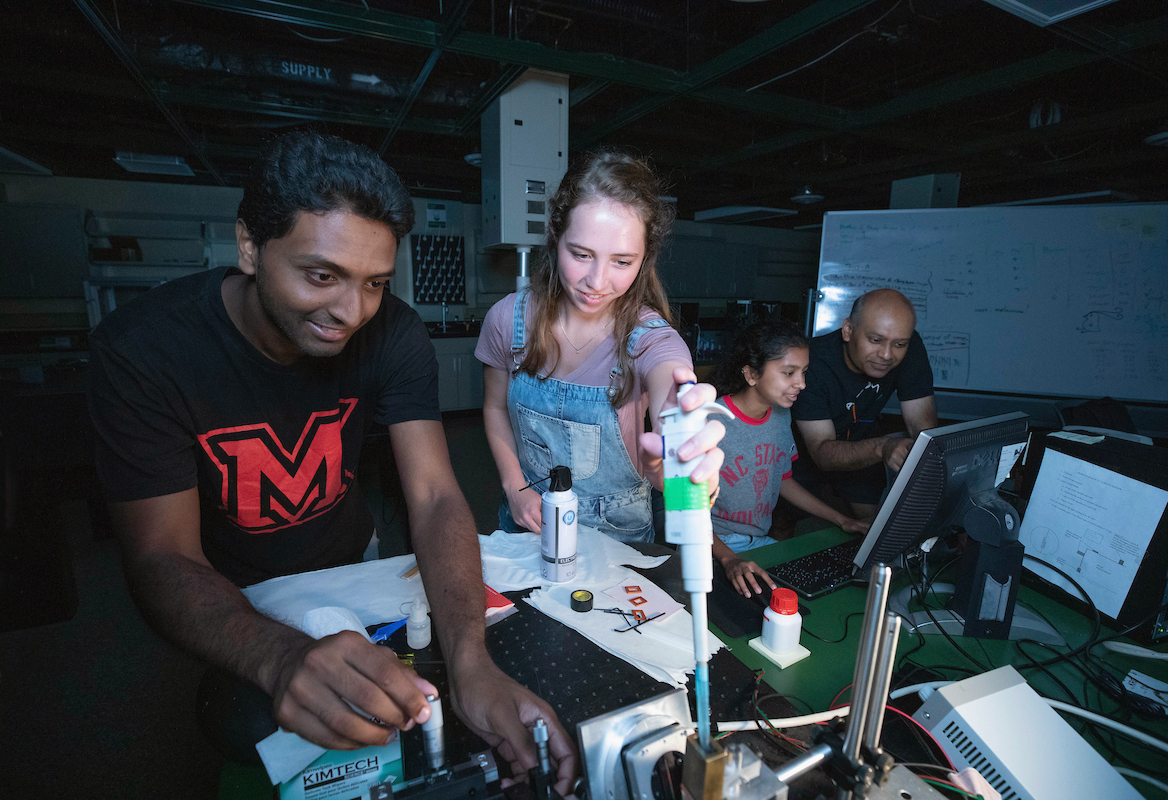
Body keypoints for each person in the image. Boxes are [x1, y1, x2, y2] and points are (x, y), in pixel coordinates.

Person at [86, 131, 574, 792]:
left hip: (353, 565)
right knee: (243, 727)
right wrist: (280, 656)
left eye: (373, 282)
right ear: (251, 247)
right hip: (234, 590)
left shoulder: (394, 332)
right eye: (322, 275)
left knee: (390, 717)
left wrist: (470, 661)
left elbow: (433, 495)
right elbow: (161, 557)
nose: (351, 311)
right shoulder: (145, 350)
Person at [476, 151, 725, 543]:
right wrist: (515, 487)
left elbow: (671, 389)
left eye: (622, 262)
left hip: (618, 539)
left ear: (644, 260)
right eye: (581, 255)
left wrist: (684, 459)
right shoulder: (508, 320)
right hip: (528, 524)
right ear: (556, 239)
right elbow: (493, 407)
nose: (597, 280)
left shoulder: (653, 340)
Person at [708, 320, 870, 597]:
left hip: (759, 544)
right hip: (711, 548)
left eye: (804, 372)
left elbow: (781, 479)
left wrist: (841, 519)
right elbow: (681, 508)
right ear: (751, 375)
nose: (802, 384)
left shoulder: (780, 415)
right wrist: (728, 559)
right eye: (789, 373)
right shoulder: (711, 420)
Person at [790, 288, 939, 523]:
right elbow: (821, 451)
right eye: (875, 340)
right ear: (848, 330)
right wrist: (883, 448)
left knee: (874, 528)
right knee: (784, 523)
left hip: (861, 445)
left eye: (899, 344)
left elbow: (924, 430)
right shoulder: (813, 363)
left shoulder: (910, 348)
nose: (887, 354)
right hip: (798, 452)